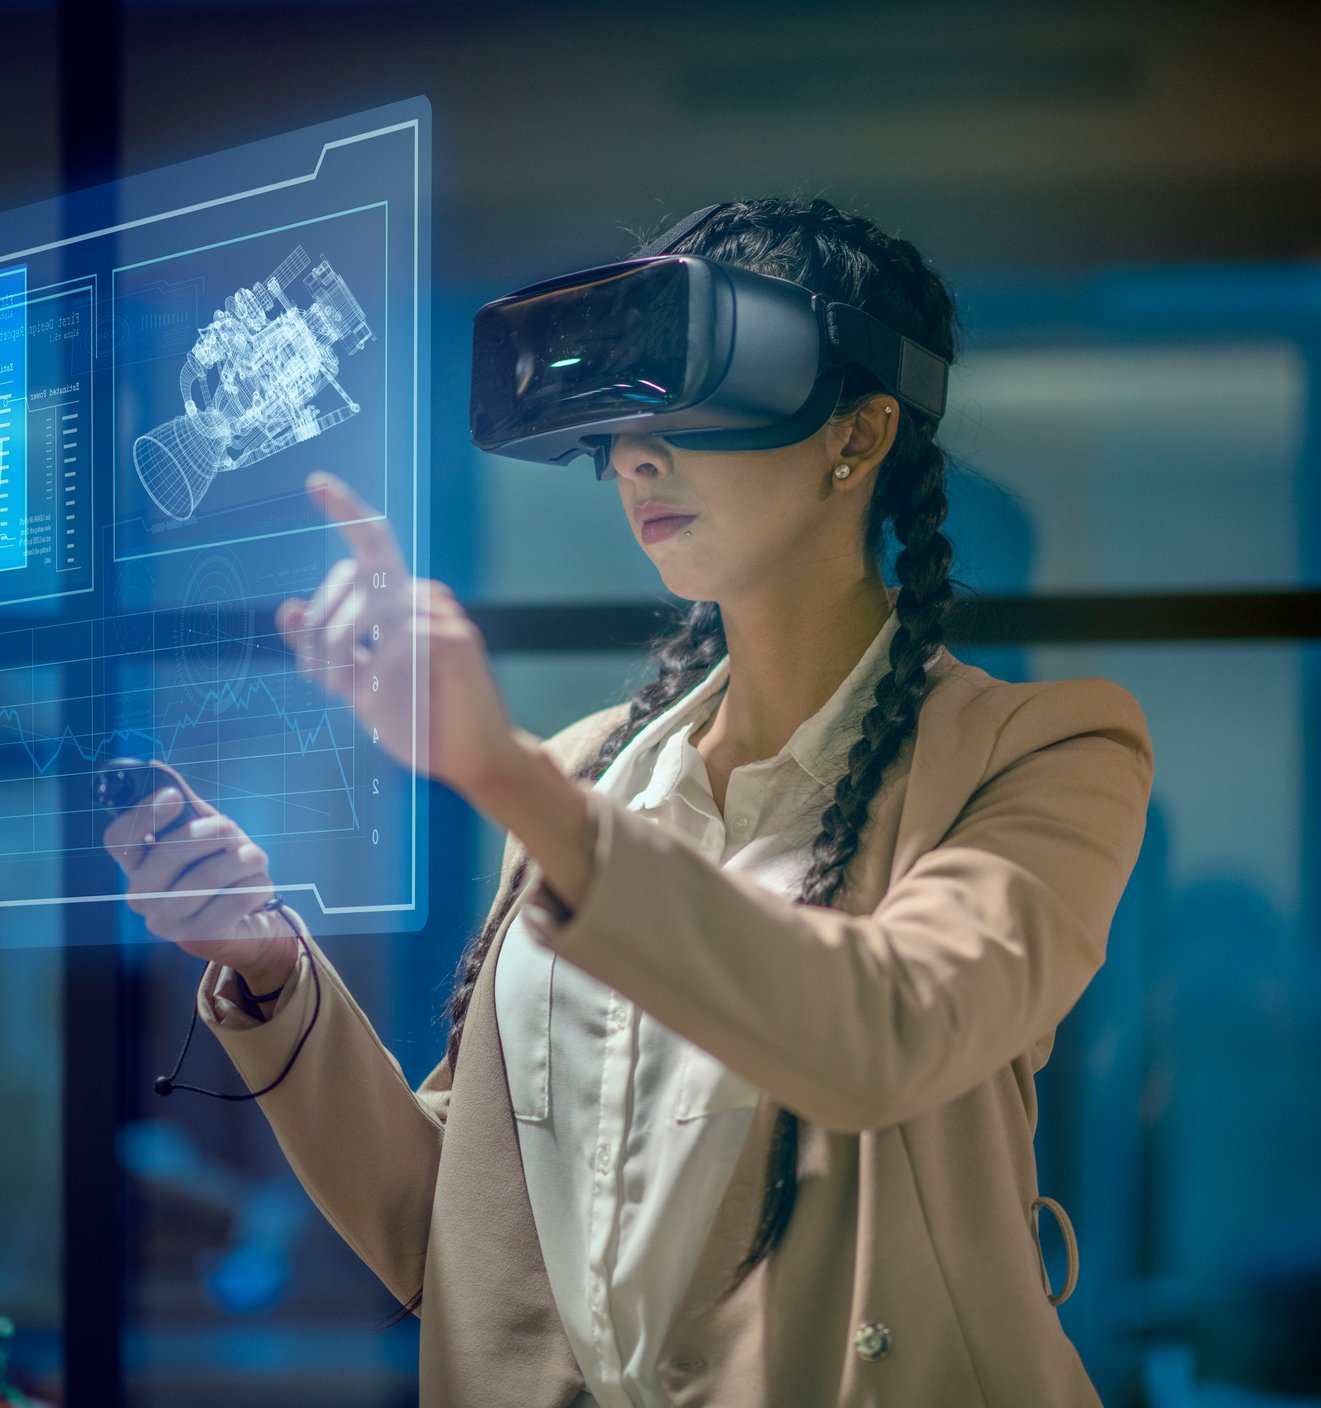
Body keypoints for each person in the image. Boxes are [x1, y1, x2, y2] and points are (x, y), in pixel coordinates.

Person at [104, 196, 1154, 1407]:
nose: (632, 458)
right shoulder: (594, 769)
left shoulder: (1044, 749)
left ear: (856, 435)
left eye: (690, 405)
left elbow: (886, 1033)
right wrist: (266, 960)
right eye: (616, 425)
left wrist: (508, 777)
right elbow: (450, 1229)